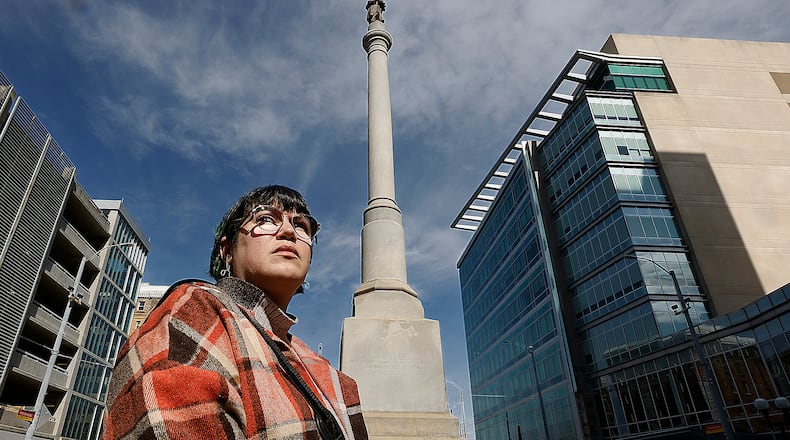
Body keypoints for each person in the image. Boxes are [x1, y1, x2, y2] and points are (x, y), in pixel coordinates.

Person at [102, 185, 368, 439]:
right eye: (265, 218)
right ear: (227, 250)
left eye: (301, 226)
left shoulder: (327, 372)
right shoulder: (197, 309)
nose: (289, 231)